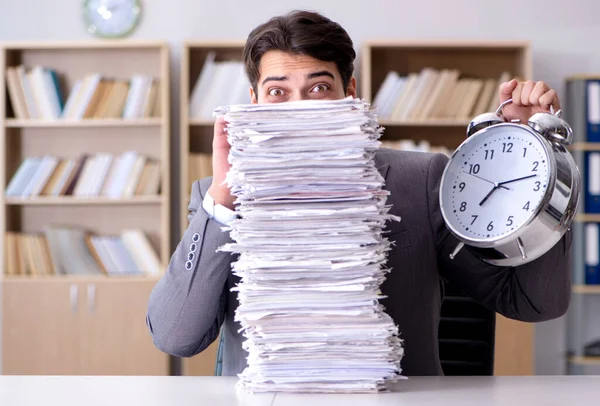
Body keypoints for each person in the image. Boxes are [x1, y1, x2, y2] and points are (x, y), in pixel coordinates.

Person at [146, 10, 571, 376]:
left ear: (349, 94)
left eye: (318, 88)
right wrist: (223, 202)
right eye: (278, 93)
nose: (301, 109)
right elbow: (175, 336)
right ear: (254, 102)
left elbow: (533, 302)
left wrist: (538, 156)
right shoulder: (216, 196)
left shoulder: (422, 180)